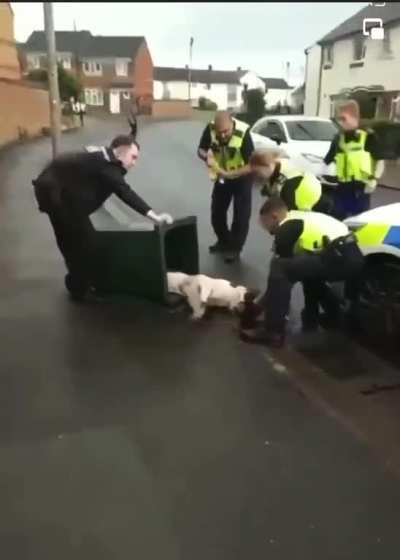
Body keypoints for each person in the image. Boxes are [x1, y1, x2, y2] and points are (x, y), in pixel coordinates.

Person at [32, 135, 173, 303]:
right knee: (87, 244)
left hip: (56, 197)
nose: (134, 163)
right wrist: (154, 216)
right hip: (59, 200)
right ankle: (79, 288)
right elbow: (125, 192)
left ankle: (76, 284)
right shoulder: (108, 166)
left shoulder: (102, 156)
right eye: (133, 157)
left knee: (71, 243)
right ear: (120, 152)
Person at [240, 197, 364, 347]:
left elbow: (279, 277)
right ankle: (332, 315)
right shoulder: (298, 216)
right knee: (304, 269)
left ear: (274, 217)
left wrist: (257, 307)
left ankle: (273, 331)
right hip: (351, 255)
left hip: (340, 257)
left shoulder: (286, 228)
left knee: (280, 268)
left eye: (266, 224)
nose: (268, 231)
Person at [197, 110, 255, 263]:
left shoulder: (243, 132)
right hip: (222, 176)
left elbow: (252, 164)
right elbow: (201, 149)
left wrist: (231, 174)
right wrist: (207, 156)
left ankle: (235, 248)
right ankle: (223, 241)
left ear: (232, 124)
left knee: (240, 214)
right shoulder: (210, 129)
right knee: (217, 211)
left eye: (225, 131)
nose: (222, 135)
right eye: (219, 132)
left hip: (242, 176)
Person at [323, 99, 384, 219]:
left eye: (344, 118)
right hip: (342, 188)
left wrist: (374, 180)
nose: (341, 123)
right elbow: (328, 160)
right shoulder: (337, 139)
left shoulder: (368, 137)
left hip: (361, 188)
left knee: (360, 220)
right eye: (339, 119)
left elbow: (380, 160)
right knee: (338, 219)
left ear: (355, 117)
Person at [249, 148, 332, 214]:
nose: (259, 175)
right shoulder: (277, 166)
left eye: (259, 172)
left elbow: (291, 210)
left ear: (267, 166)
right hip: (310, 197)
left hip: (310, 204)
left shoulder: (286, 179)